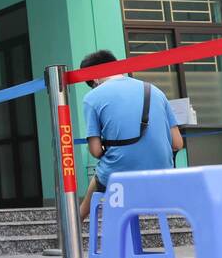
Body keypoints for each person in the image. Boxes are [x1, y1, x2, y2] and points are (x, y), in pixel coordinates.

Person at [78, 49, 184, 225]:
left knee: (98, 178)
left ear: (94, 79)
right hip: (161, 174)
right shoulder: (155, 91)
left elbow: (95, 151)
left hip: (121, 174)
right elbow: (178, 143)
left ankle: (76, 222)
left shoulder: (92, 97)